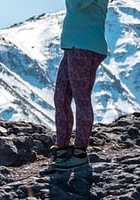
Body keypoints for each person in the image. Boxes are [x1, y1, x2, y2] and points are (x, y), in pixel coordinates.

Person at [46, 0, 109, 172]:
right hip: (73, 46)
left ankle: (80, 152)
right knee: (61, 98)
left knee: (81, 98)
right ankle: (63, 149)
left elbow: (77, 4)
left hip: (85, 45)